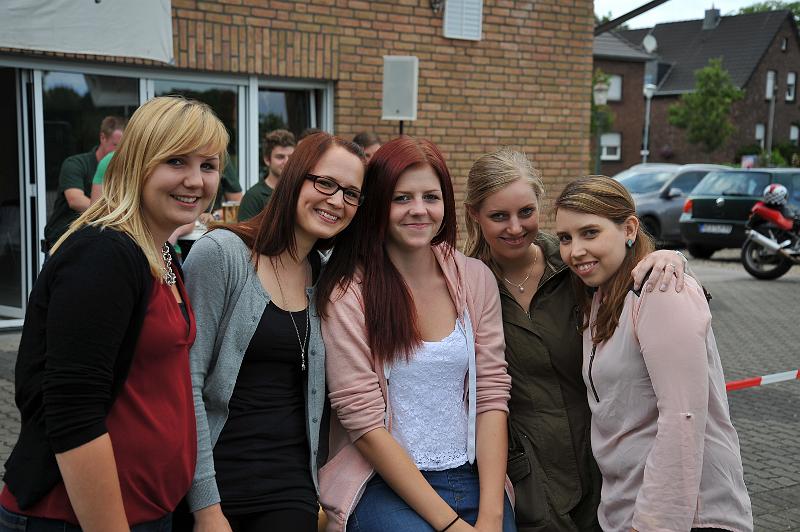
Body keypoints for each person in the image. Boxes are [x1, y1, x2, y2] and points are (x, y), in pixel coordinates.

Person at [0, 96, 228, 531]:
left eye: (208, 165)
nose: (195, 180)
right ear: (139, 163)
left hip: (150, 511)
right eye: (176, 161)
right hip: (74, 519)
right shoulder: (103, 253)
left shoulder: (162, 252)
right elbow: (72, 411)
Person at [463, 150, 692, 531]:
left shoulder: (574, 262)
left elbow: (633, 268)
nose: (515, 227)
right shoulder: (465, 283)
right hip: (529, 474)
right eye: (499, 216)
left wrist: (671, 257)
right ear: (474, 214)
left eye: (526, 212)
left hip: (607, 462)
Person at [317, 137, 515, 531]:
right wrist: (451, 525)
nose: (419, 210)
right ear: (377, 204)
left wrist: (492, 516)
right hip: (382, 482)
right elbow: (363, 422)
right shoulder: (348, 292)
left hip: (472, 475)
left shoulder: (474, 279)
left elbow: (492, 394)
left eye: (431, 197)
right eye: (402, 198)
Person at [181, 132, 365, 532]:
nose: (337, 201)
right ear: (294, 177)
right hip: (213, 482)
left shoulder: (328, 280)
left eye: (351, 193)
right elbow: (186, 382)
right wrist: (206, 508)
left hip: (289, 490)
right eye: (325, 183)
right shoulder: (222, 254)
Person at [553, 175, 753, 532]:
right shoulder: (599, 296)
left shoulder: (660, 291)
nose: (575, 250)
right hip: (624, 510)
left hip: (686, 517)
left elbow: (682, 417)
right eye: (565, 238)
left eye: (590, 233)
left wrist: (654, 523)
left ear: (629, 229)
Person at [43, 115, 127, 251]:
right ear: (103, 138)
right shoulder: (75, 164)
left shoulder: (123, 170)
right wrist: (118, 214)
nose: (119, 152)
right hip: (62, 244)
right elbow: (75, 200)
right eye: (115, 145)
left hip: (95, 243)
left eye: (123, 147)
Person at [238, 129, 296, 221]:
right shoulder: (253, 197)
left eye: (291, 157)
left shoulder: (301, 190)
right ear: (267, 160)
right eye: (280, 157)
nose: (287, 161)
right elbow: (244, 230)